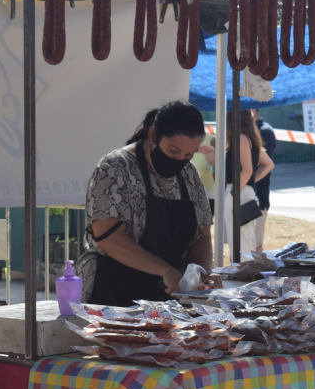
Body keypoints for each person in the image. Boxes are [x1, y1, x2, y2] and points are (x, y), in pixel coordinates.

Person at [77, 101, 216, 307]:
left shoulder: (189, 174)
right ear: (153, 135)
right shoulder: (114, 167)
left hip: (170, 298)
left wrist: (199, 275)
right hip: (114, 294)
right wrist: (165, 270)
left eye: (188, 155)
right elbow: (108, 237)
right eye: (173, 150)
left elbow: (202, 235)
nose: (180, 160)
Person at [202, 110, 274, 258]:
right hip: (240, 192)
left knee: (242, 247)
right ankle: (244, 274)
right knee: (241, 245)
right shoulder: (246, 140)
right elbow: (267, 164)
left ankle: (245, 276)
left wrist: (235, 191)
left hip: (239, 193)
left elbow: (248, 170)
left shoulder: (241, 139)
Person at [251, 108, 277, 251]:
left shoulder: (265, 131)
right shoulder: (244, 133)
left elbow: (266, 165)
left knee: (255, 247)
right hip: (245, 197)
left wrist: (246, 182)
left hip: (258, 197)